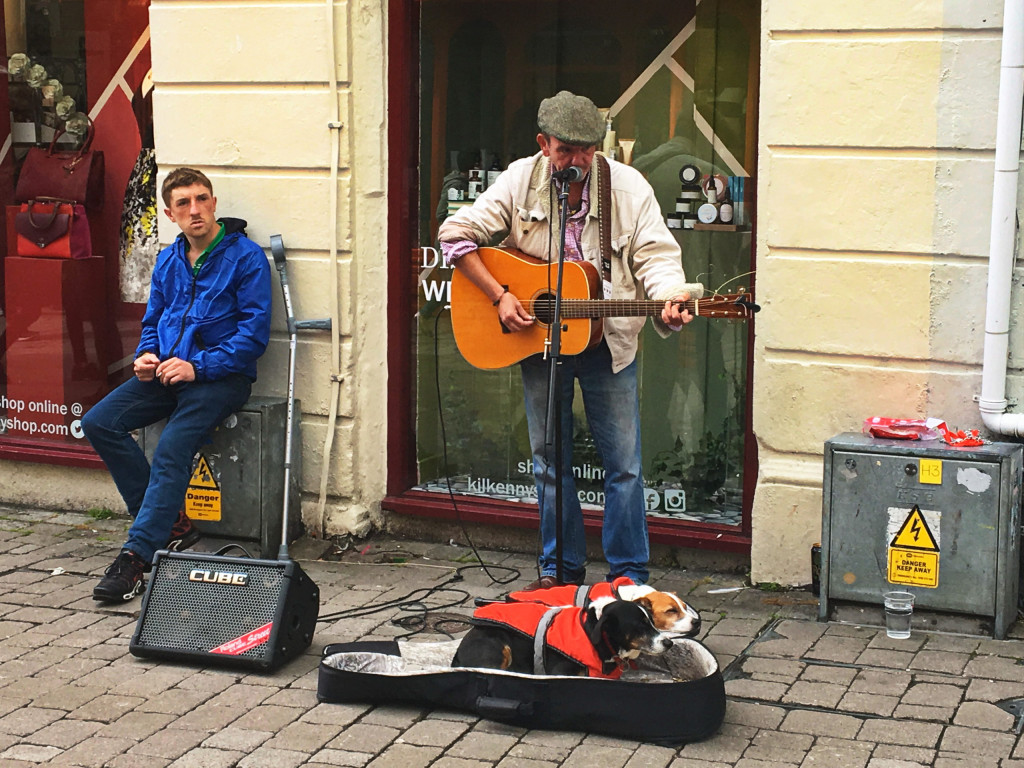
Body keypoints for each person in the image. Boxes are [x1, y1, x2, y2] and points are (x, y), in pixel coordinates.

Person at [438, 91, 697, 588]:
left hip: (610, 342)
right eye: (565, 151)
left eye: (586, 150)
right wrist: (498, 296)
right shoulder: (520, 179)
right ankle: (562, 571)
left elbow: (657, 255)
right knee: (549, 462)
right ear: (543, 144)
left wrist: (670, 295)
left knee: (623, 464)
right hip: (540, 344)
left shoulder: (627, 187)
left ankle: (628, 576)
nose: (577, 161)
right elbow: (455, 234)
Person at [83, 167, 272, 603]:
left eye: (202, 199)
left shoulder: (246, 258)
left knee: (171, 448)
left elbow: (253, 337)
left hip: (221, 379)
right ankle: (170, 526)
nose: (195, 209)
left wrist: (197, 367)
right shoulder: (169, 259)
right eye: (184, 203)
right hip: (168, 372)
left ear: (214, 204)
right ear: (170, 214)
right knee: (100, 422)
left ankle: (136, 557)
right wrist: (146, 357)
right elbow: (154, 320)